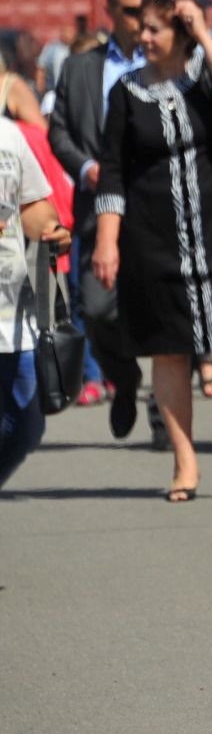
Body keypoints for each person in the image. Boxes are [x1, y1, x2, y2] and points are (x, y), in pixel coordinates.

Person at [90, 0, 212, 501]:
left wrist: (204, 33)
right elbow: (113, 171)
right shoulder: (124, 91)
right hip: (152, 237)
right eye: (141, 28)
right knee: (167, 348)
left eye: (155, 30)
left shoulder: (207, 74)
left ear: (180, 33)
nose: (143, 38)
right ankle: (185, 462)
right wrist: (107, 242)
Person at [47, 0, 148, 436]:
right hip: (97, 205)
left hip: (155, 208)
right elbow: (59, 132)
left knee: (166, 311)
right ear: (111, 13)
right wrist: (87, 166)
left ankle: (167, 416)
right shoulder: (80, 68)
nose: (140, 19)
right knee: (97, 304)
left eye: (144, 9)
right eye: (130, 10)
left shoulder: (167, 62)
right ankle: (123, 377)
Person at [0, 114, 71, 487]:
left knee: (26, 427)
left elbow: (32, 207)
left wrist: (50, 227)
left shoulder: (8, 134)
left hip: (13, 315)